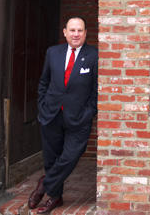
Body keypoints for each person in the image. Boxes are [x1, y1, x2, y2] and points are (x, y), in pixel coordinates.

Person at [28, 17, 98, 214]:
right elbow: (44, 82)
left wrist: (89, 112)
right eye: (72, 30)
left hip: (79, 118)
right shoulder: (53, 53)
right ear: (65, 32)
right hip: (51, 115)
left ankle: (44, 184)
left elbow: (96, 90)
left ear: (85, 33)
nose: (76, 34)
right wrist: (42, 107)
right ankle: (55, 197)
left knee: (70, 156)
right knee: (51, 159)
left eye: (80, 30)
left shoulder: (94, 55)